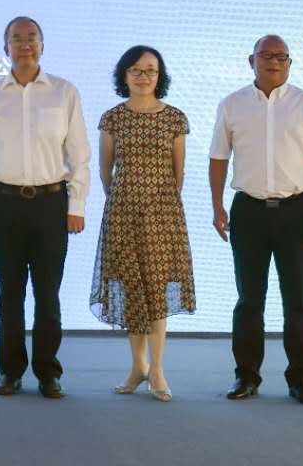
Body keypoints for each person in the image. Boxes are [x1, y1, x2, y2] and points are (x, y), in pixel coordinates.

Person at [209, 33, 303, 405]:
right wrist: (217, 206)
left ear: (290, 63)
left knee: (297, 299)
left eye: (281, 57)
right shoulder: (232, 104)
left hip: (297, 212)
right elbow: (219, 158)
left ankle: (301, 379)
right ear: (251, 61)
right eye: (265, 55)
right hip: (248, 211)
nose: (273, 62)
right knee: (249, 299)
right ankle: (246, 376)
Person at [0, 16, 91, 399]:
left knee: (47, 293)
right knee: (9, 294)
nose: (25, 45)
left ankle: (47, 372)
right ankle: (10, 371)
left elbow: (79, 154)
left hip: (51, 204)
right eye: (16, 39)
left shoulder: (64, 92)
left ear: (42, 45)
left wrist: (77, 205)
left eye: (32, 38)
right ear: (5, 47)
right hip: (4, 203)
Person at [90, 45, 193, 403]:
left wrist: (154, 202)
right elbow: (106, 173)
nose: (143, 76)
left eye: (150, 70)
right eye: (135, 69)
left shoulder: (174, 118)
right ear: (124, 75)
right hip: (122, 214)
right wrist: (127, 198)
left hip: (163, 216)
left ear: (159, 76)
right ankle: (138, 367)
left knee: (157, 290)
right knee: (130, 289)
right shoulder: (112, 118)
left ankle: (158, 371)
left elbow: (178, 175)